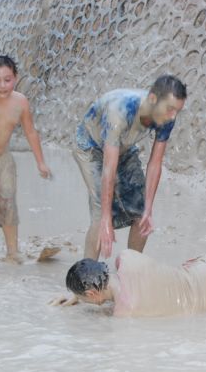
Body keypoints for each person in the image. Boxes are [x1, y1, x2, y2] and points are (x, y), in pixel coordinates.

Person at [73, 75, 186, 260]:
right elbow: (109, 169)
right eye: (170, 109)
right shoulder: (120, 111)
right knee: (100, 212)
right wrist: (106, 219)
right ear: (152, 100)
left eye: (177, 111)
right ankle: (86, 278)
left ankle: (133, 269)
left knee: (141, 213)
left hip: (124, 147)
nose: (173, 116)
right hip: (90, 147)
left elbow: (155, 164)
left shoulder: (167, 116)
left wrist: (148, 208)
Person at [50, 248, 206, 317]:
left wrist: (79, 300)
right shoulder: (126, 257)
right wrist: (79, 294)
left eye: (85, 298)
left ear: (91, 294)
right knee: (194, 271)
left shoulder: (125, 311)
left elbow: (111, 305)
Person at [0, 55, 51, 264]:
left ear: (16, 78)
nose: (3, 85)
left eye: (8, 79)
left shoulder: (20, 102)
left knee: (8, 203)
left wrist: (41, 162)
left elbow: (30, 132)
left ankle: (12, 252)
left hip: (3, 158)